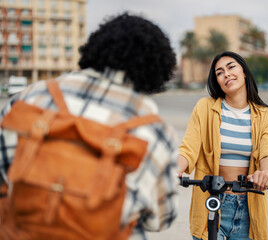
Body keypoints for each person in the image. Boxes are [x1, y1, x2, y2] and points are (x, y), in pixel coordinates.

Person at [0, 13, 178, 239]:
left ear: (96, 46)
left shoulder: (31, 96)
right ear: (158, 68)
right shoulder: (156, 133)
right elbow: (161, 218)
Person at [177, 51, 268, 240]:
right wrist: (175, 169)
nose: (226, 74)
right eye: (219, 72)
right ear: (216, 81)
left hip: (248, 208)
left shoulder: (266, 115)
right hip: (211, 201)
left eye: (231, 67)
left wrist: (265, 173)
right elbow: (188, 148)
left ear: (244, 73)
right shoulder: (204, 108)